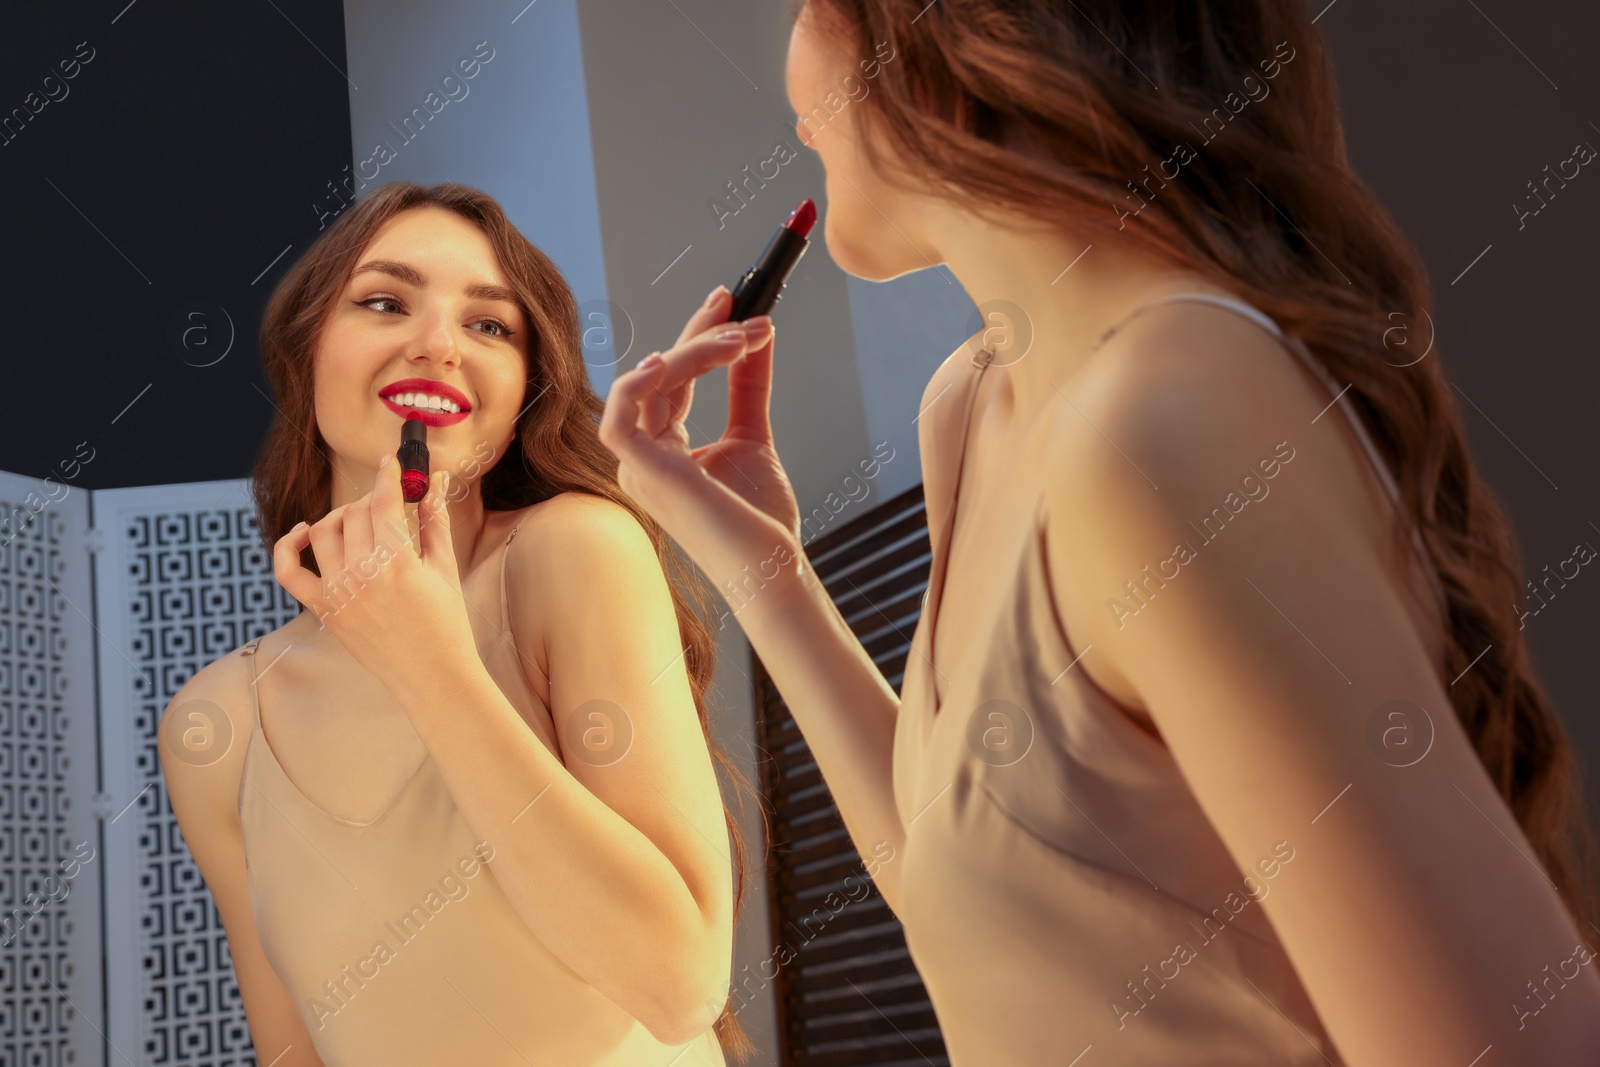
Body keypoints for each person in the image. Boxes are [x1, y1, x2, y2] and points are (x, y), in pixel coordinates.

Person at [598, 1, 1600, 1064]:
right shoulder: (974, 406)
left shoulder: (1166, 421)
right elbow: (959, 870)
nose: (789, 63)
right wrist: (766, 568)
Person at [158, 182, 759, 1066]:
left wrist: (431, 666)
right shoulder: (216, 725)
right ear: (306, 350)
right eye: (385, 302)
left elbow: (682, 987)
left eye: (490, 326)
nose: (438, 344)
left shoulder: (575, 553)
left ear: (523, 391)